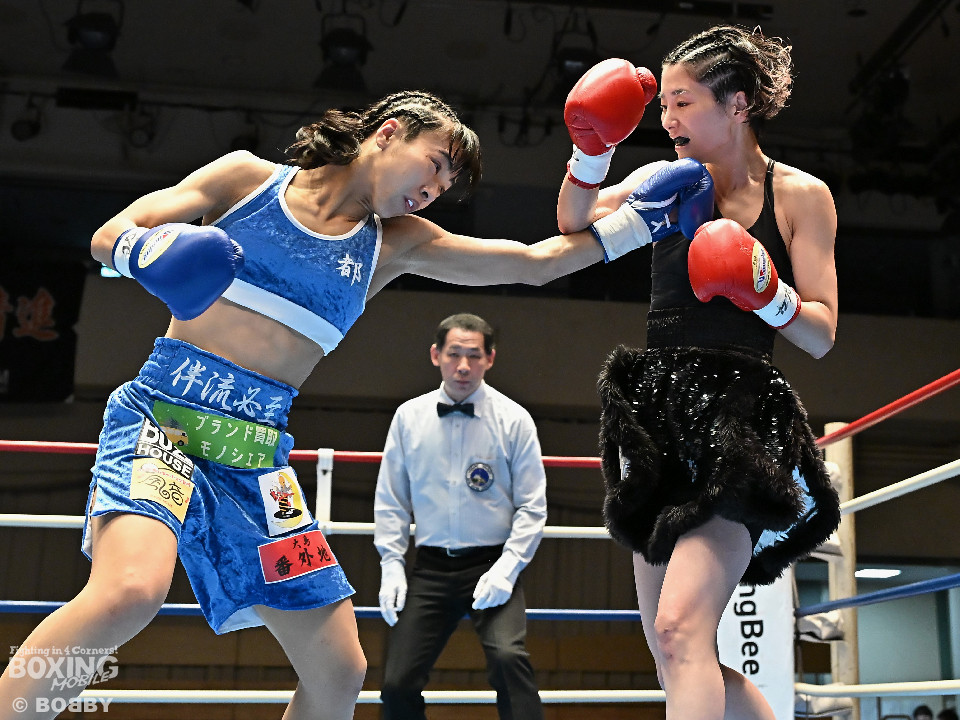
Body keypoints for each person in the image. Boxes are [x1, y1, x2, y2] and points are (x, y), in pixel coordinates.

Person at [1, 83, 706, 719]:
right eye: (434, 165)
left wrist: (636, 226)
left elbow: (533, 263)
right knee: (128, 591)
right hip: (167, 420)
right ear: (389, 131)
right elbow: (108, 235)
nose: (432, 191)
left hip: (255, 455)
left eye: (445, 187)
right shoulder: (247, 180)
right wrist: (147, 254)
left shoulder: (394, 245)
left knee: (340, 671)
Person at [556, 26, 842, 720]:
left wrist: (764, 293)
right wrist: (590, 151)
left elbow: (822, 333)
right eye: (663, 105)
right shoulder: (663, 182)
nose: (668, 119)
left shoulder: (799, 195)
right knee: (674, 651)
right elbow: (572, 220)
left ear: (737, 104)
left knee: (681, 629)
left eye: (683, 102)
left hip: (741, 419)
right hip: (657, 414)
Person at [373, 313, 547, 720]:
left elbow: (532, 506)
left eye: (473, 355)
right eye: (454, 354)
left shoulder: (514, 419)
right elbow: (391, 499)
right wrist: (391, 564)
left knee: (508, 659)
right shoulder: (408, 417)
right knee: (396, 683)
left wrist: (507, 569)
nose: (463, 366)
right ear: (436, 355)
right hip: (431, 569)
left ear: (490, 359)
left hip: (492, 562)